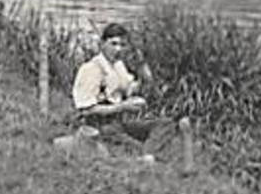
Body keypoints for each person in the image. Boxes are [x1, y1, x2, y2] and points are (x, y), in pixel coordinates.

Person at [72, 23, 189, 165]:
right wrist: (123, 107)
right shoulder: (91, 69)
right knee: (134, 146)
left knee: (166, 123)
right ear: (102, 44)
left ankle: (148, 155)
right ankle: (147, 156)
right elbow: (86, 110)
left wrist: (144, 79)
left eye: (122, 45)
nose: (118, 49)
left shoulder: (118, 65)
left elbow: (130, 89)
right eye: (113, 44)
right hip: (100, 127)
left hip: (119, 123)